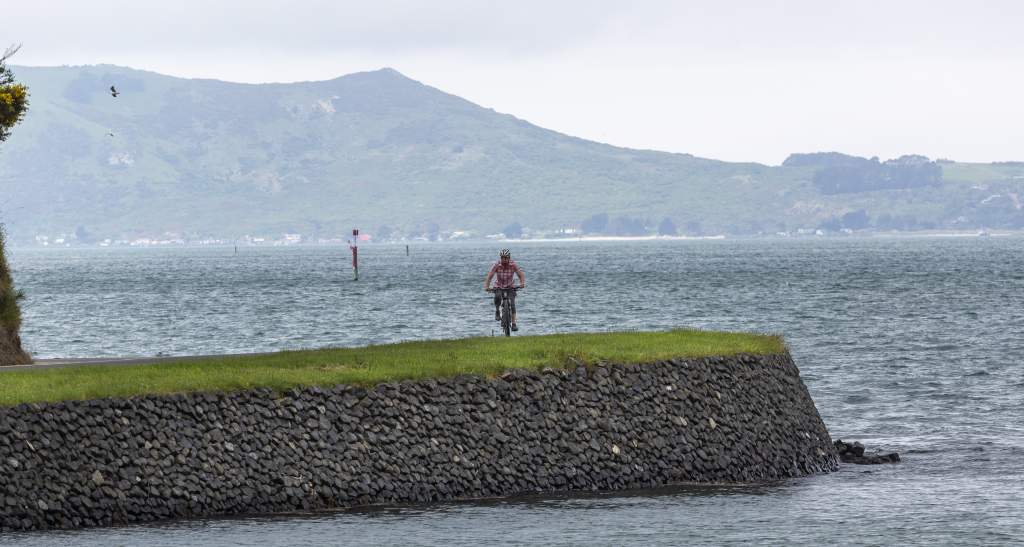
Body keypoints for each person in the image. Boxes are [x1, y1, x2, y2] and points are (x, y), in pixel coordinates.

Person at [484, 248, 525, 331]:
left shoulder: (513, 265)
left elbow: (521, 274)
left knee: (512, 304)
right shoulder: (497, 265)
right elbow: (490, 276)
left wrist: (522, 283)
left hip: (510, 286)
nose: (504, 259)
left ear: (509, 257)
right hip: (499, 286)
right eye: (502, 257)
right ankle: (497, 311)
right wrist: (487, 286)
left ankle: (513, 324)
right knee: (497, 297)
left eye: (506, 257)